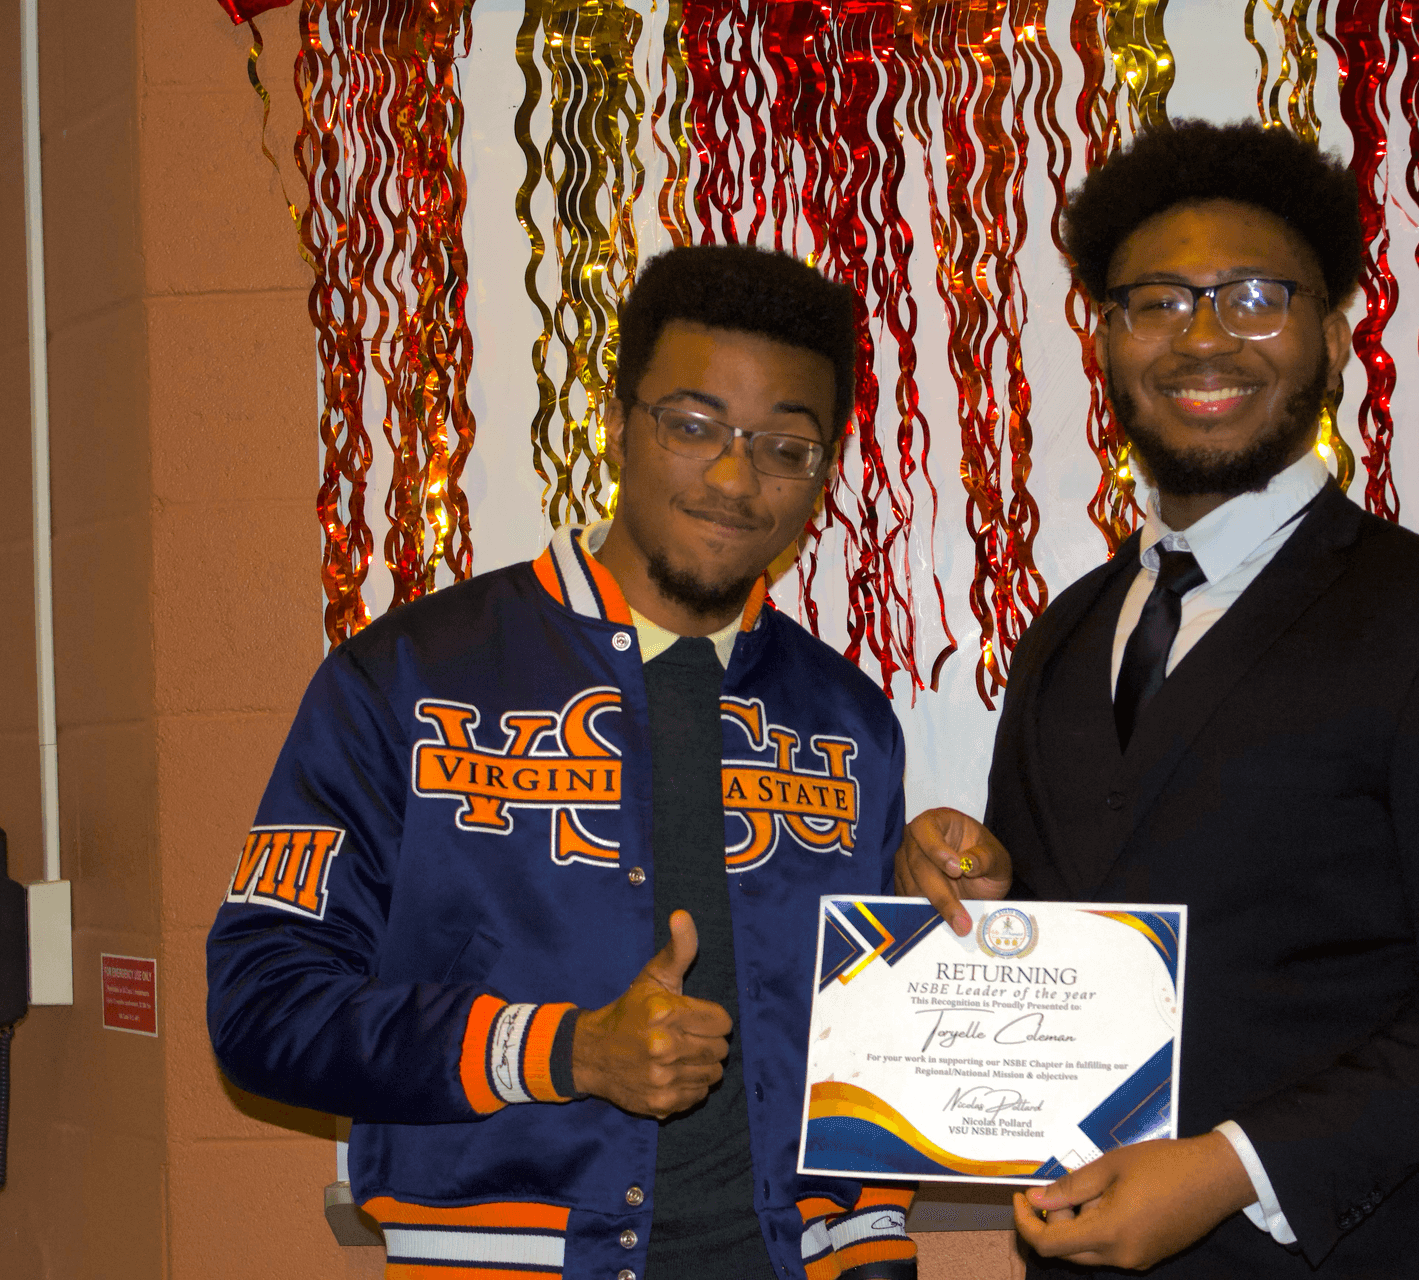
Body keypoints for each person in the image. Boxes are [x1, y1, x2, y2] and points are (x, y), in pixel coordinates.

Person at [896, 120, 1419, 1278]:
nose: (1204, 337)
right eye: (1157, 302)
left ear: (1332, 335)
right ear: (1108, 343)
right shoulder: (1065, 632)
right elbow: (1063, 928)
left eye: (1256, 296)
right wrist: (965, 876)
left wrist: (1235, 1163)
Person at [209, 244, 916, 1280]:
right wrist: (566, 1049)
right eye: (693, 424)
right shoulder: (408, 678)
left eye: (784, 445)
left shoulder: (846, 723)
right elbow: (261, 1002)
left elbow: (865, 1068)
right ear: (617, 420)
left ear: (824, 470)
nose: (734, 476)